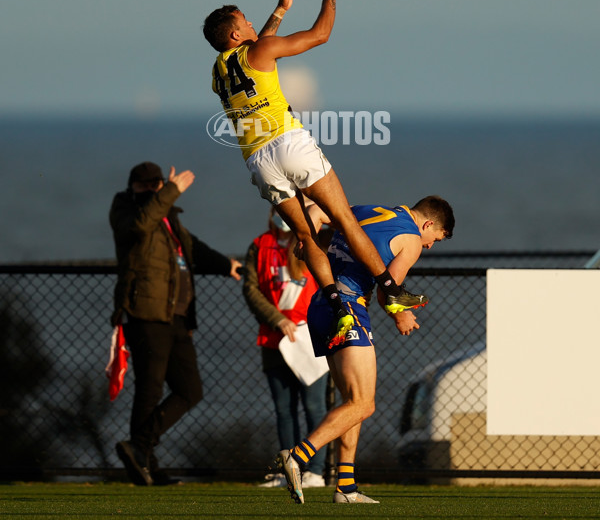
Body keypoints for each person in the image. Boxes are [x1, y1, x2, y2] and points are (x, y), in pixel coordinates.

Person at [203, 0, 426, 347]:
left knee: (305, 236)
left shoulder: (218, 71)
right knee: (343, 219)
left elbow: (259, 49)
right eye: (248, 21)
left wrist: (280, 10)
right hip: (289, 144)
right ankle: (391, 291)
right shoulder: (260, 49)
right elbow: (320, 35)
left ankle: (338, 305)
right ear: (237, 33)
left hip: (258, 161)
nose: (256, 25)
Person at [274, 195, 455, 505]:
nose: (429, 247)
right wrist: (402, 314)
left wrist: (307, 240)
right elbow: (388, 293)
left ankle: (345, 487)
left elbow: (316, 212)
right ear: (427, 224)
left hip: (321, 305)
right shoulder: (410, 239)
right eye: (434, 238)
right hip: (349, 309)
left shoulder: (369, 210)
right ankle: (297, 456)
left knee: (351, 403)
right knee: (364, 405)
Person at [109, 161, 242, 486]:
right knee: (149, 389)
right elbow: (140, 227)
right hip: (145, 313)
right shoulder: (125, 209)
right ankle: (146, 465)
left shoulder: (167, 215)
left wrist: (227, 265)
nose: (152, 188)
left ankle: (139, 450)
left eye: (156, 184)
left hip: (177, 316)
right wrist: (169, 191)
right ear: (133, 186)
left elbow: (192, 247)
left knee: (189, 390)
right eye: (146, 185)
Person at [243, 208, 329, 489]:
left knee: (315, 407)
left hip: (310, 339)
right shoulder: (258, 245)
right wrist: (276, 319)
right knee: (284, 410)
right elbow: (251, 290)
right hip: (274, 340)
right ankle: (287, 472)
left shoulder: (311, 243)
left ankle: (315, 472)